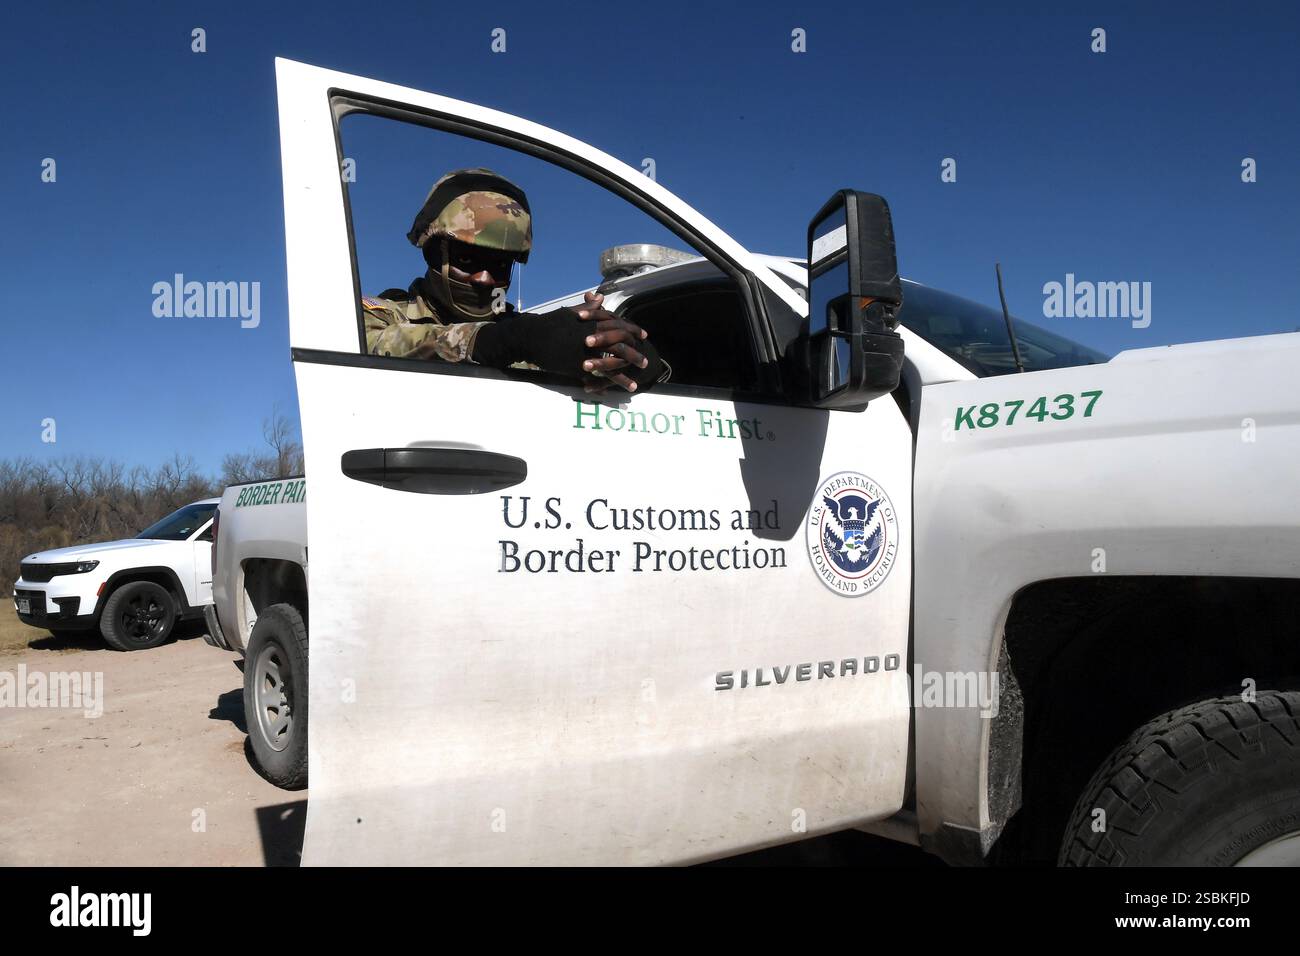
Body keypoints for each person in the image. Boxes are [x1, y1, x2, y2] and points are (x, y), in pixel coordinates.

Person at [363, 168, 666, 393]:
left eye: (499, 265)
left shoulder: (530, 336)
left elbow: (602, 382)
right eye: (466, 260)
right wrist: (501, 342)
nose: (484, 279)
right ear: (432, 255)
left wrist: (634, 360)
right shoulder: (377, 315)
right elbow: (371, 347)